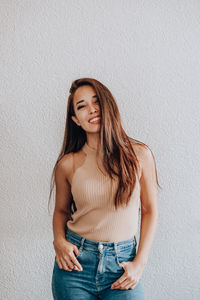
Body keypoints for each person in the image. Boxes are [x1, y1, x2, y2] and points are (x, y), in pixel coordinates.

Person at [49, 78, 160, 300]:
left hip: (122, 265)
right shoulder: (67, 164)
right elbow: (61, 211)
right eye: (81, 106)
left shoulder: (140, 155)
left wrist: (140, 263)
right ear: (75, 120)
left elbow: (149, 210)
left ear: (108, 104)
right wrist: (59, 241)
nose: (91, 109)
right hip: (75, 267)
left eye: (96, 101)